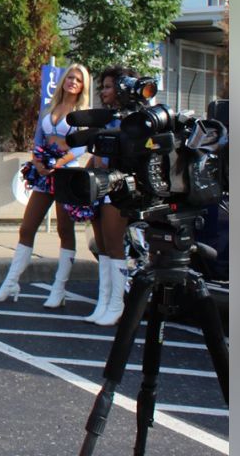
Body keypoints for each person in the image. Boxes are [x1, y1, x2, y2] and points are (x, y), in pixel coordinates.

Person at [0, 64, 94, 308]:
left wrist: (59, 162)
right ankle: (11, 282)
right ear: (64, 80)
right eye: (70, 77)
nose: (73, 82)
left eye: (78, 79)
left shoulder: (82, 112)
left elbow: (80, 147)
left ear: (83, 86)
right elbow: (38, 138)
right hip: (44, 173)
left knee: (65, 231)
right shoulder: (49, 108)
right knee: (27, 227)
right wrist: (38, 160)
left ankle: (59, 288)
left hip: (67, 174)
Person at [85, 65, 138, 325]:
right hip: (100, 185)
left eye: (108, 87)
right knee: (103, 247)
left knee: (115, 245)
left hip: (118, 187)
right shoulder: (106, 117)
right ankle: (103, 301)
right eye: (102, 86)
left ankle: (117, 305)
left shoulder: (133, 118)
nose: (103, 91)